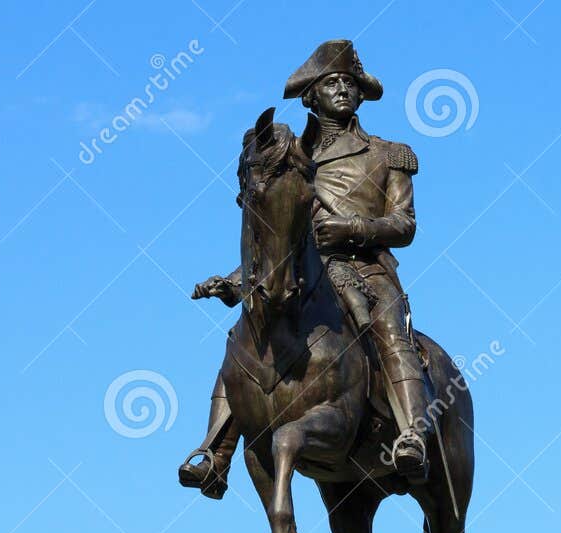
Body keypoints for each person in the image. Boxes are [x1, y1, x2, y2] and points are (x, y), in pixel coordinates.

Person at [179, 39, 430, 499]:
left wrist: (352, 227)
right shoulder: (289, 156)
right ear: (310, 96)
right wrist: (237, 278)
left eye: (350, 83)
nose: (343, 90)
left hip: (366, 270)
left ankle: (413, 433)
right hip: (300, 269)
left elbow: (404, 224)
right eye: (331, 82)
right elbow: (277, 231)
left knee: (390, 331)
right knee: (246, 335)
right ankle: (215, 452)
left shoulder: (389, 153)